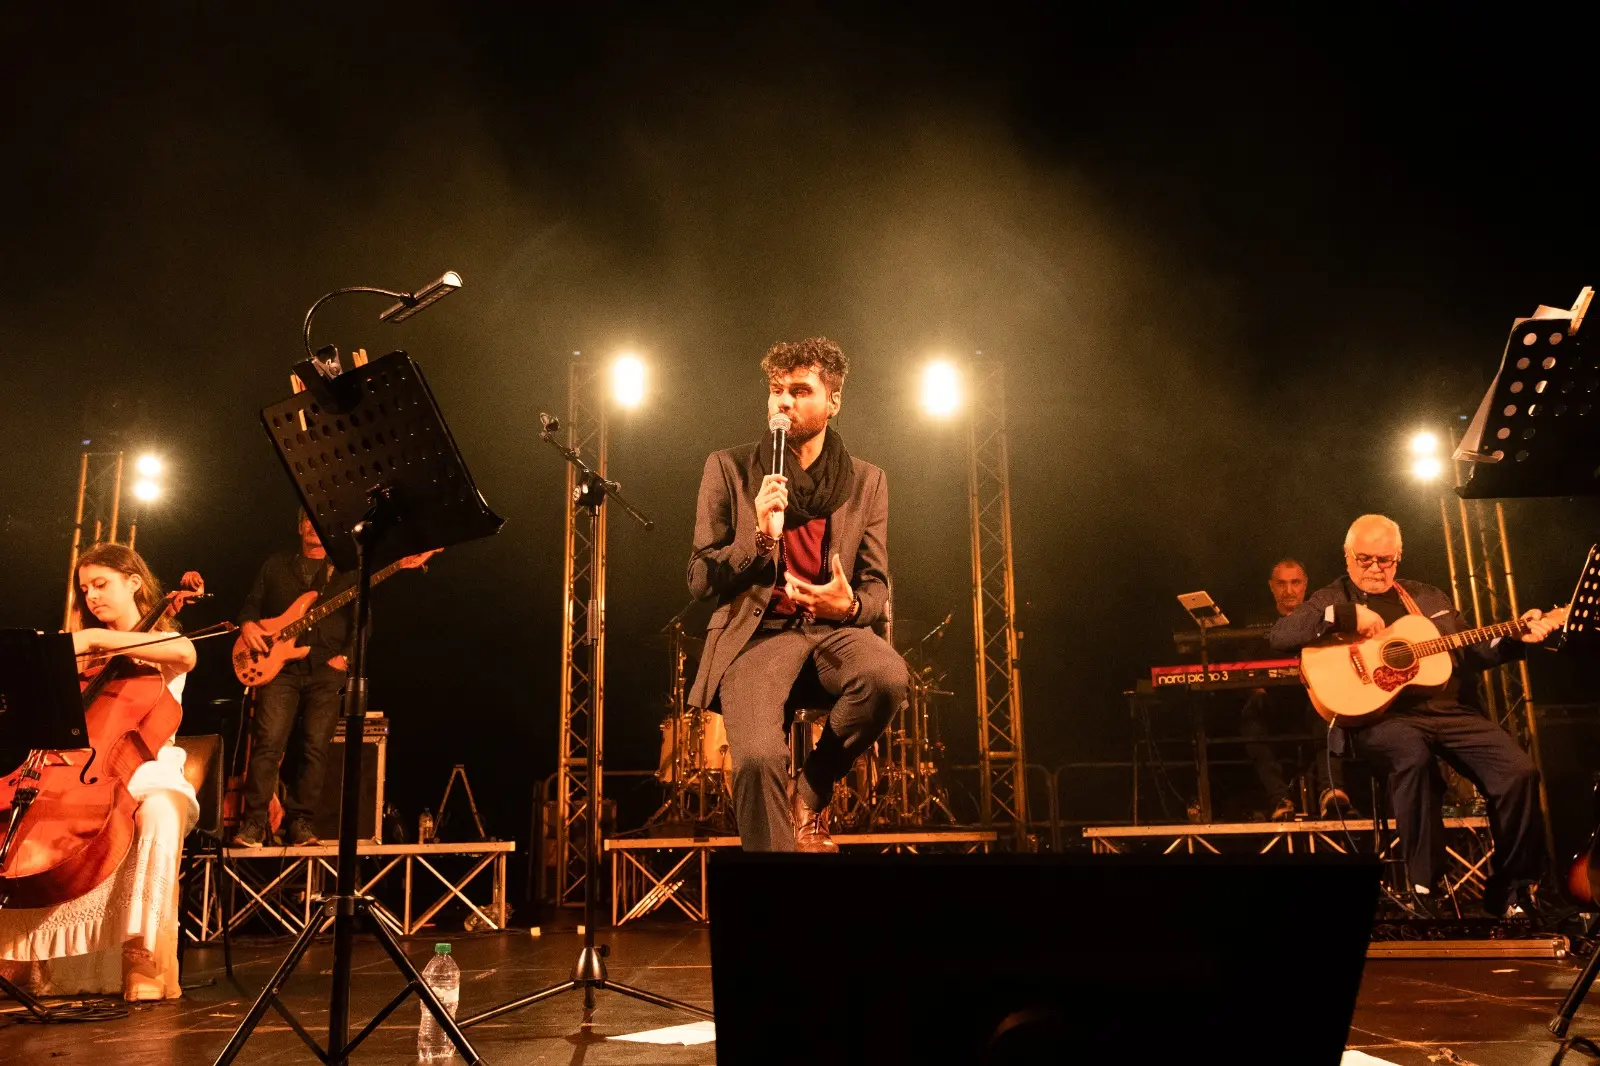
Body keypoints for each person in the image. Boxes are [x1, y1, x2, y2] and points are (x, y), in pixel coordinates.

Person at [1270, 514, 1560, 917]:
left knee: (1519, 772)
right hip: (1382, 720)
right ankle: (1426, 889)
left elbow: (1472, 652)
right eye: (1365, 559)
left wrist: (1516, 640)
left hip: (1450, 711)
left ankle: (1512, 890)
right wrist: (1345, 616)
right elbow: (1282, 634)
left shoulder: (1427, 598)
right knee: (1413, 757)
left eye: (1385, 560)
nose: (1375, 568)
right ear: (1348, 556)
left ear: (1399, 556)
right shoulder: (1332, 596)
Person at [687, 337, 907, 853]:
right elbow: (699, 578)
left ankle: (811, 790)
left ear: (833, 401)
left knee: (887, 677)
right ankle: (776, 888)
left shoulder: (867, 481)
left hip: (832, 632)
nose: (782, 402)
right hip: (758, 636)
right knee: (759, 760)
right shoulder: (729, 469)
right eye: (775, 390)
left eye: (800, 391)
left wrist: (849, 606)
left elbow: (878, 586)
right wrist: (760, 537)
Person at [0, 543, 199, 1001]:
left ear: (133, 581)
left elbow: (186, 655)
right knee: (26, 813)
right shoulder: (85, 655)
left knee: (161, 814)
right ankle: (20, 951)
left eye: (101, 584)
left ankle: (142, 954)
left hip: (145, 764)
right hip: (78, 763)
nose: (91, 596)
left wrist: (91, 640)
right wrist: (77, 649)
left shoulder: (163, 644)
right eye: (84, 588)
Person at [233, 511, 354, 847]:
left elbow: (362, 621)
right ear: (299, 526)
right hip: (279, 668)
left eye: (323, 523)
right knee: (268, 742)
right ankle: (254, 823)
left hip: (326, 669)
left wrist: (347, 658)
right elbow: (250, 607)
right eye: (309, 521)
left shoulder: (346, 572)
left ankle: (301, 822)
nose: (315, 528)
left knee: (316, 747)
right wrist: (248, 626)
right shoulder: (275, 565)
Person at [1240, 558, 1350, 820]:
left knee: (1330, 715)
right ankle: (1280, 800)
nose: (1289, 590)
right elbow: (1242, 670)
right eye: (1282, 583)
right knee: (1250, 719)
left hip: (1314, 700)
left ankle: (1331, 792)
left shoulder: (1324, 618)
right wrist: (1256, 690)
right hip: (1274, 706)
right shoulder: (1255, 625)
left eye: (1295, 582)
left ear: (1305, 585)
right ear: (1271, 587)